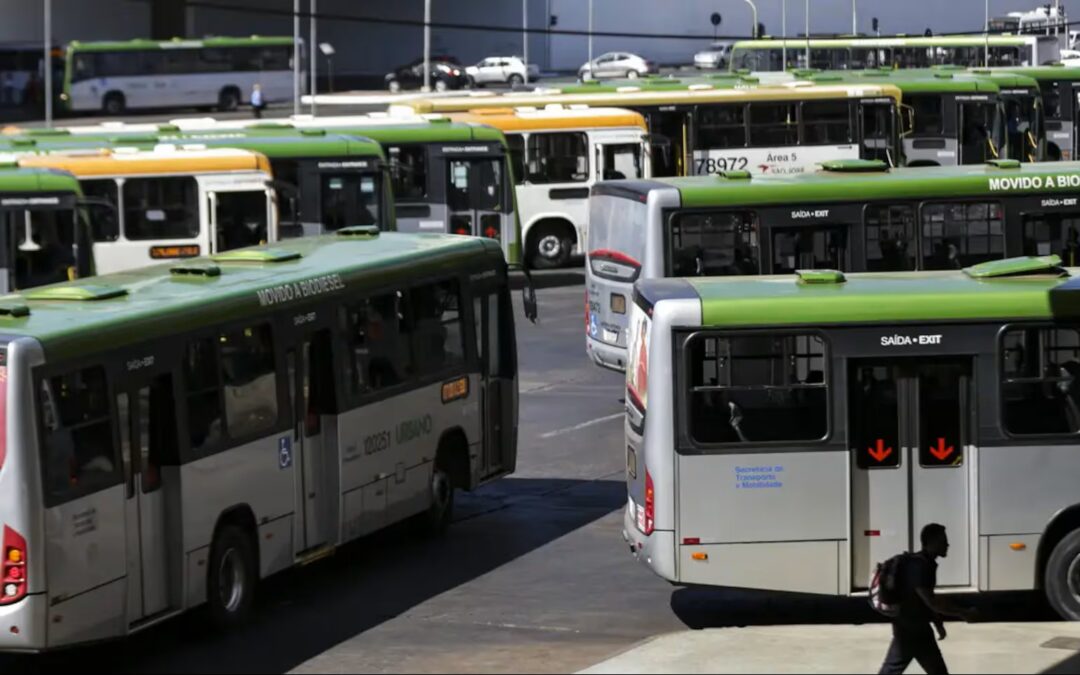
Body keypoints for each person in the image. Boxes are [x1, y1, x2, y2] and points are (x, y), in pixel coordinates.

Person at [879, 523, 978, 675]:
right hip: (910, 629)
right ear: (931, 543)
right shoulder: (920, 566)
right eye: (943, 540)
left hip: (917, 627)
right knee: (893, 669)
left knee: (936, 671)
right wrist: (962, 612)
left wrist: (937, 622)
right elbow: (930, 600)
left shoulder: (925, 563)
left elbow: (924, 600)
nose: (947, 544)